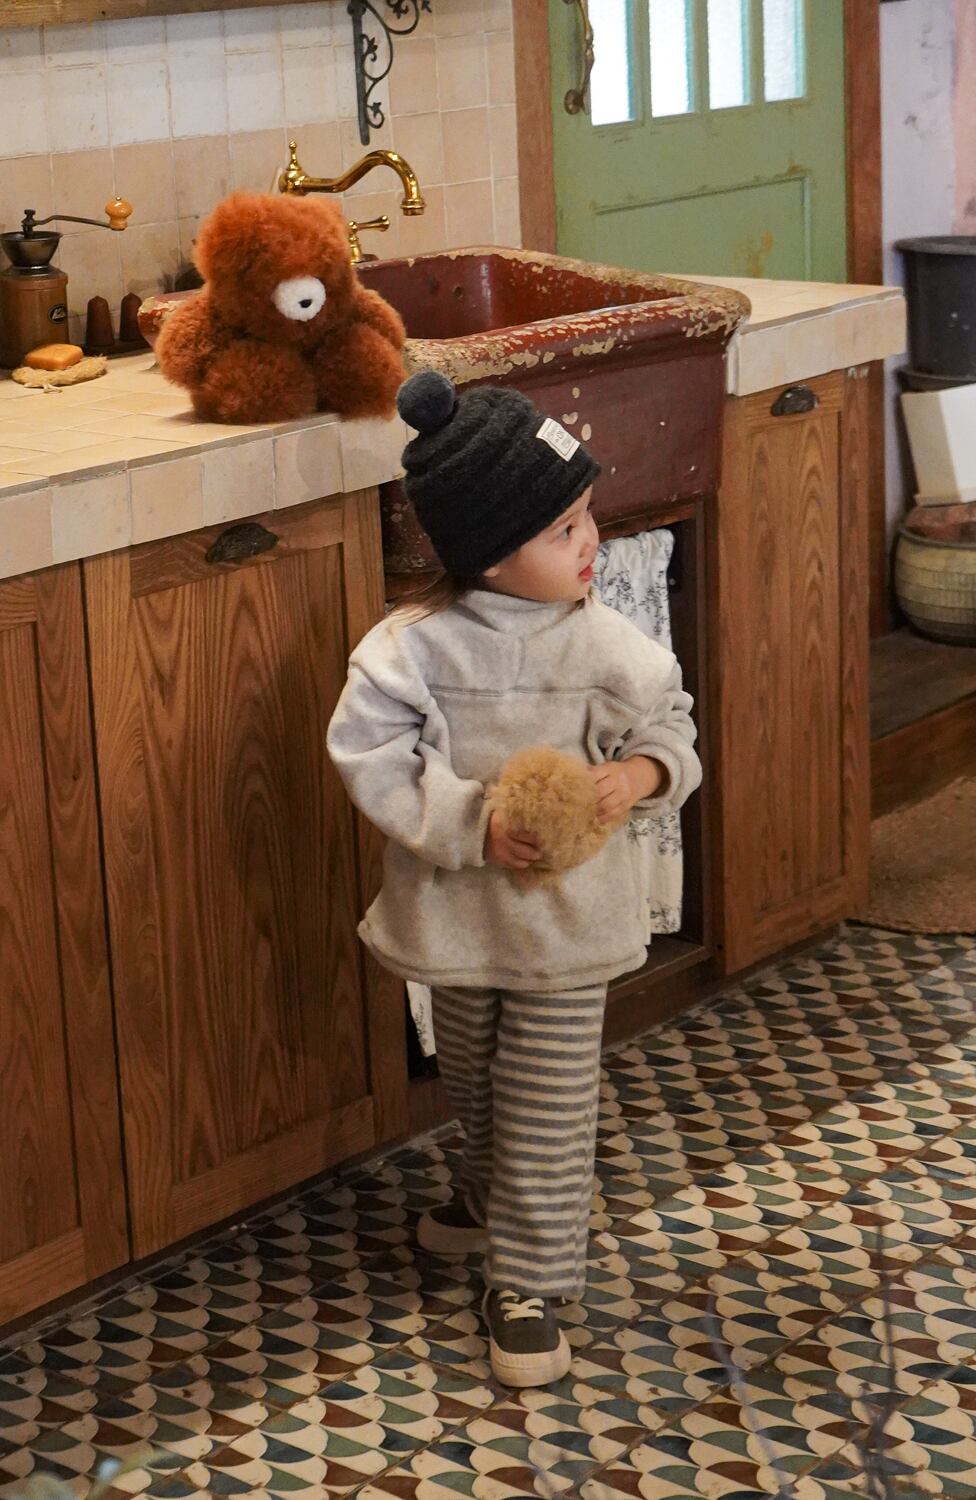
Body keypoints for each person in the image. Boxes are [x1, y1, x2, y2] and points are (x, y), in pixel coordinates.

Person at [326, 370, 701, 1388]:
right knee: (477, 1079)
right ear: (490, 553)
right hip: (456, 923)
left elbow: (672, 726)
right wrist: (469, 823)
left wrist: (640, 775)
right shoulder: (411, 652)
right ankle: (488, 1200)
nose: (591, 544)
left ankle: (529, 1283)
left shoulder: (607, 644)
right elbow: (369, 753)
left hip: (567, 929)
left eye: (588, 517)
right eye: (563, 528)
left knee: (545, 1105)